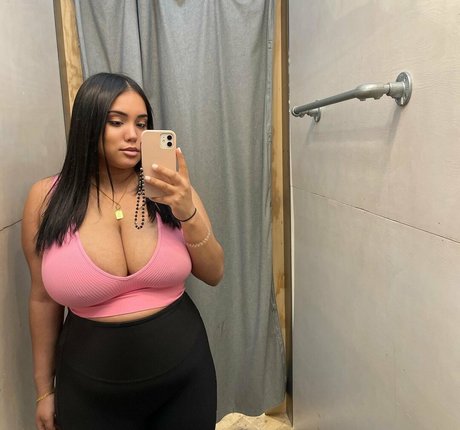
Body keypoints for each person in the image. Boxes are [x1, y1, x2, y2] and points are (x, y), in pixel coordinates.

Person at [22, 72, 224, 430]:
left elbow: (214, 273)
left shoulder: (171, 190)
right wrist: (44, 390)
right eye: (117, 122)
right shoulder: (45, 198)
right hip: (88, 389)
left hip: (184, 380)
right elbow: (42, 299)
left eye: (141, 124)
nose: (133, 135)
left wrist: (187, 211)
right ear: (87, 124)